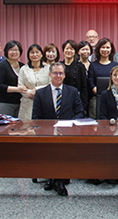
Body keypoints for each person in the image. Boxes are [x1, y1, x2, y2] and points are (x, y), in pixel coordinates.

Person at [32, 62, 84, 196]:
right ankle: (54, 178)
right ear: (49, 74)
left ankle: (57, 180)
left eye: (61, 73)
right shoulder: (40, 93)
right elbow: (36, 117)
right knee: (50, 150)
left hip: (67, 132)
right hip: (47, 133)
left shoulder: (72, 92)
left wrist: (71, 124)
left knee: (62, 149)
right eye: (55, 73)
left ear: (64, 75)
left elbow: (80, 113)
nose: (58, 76)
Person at [18, 44, 50, 120]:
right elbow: (21, 87)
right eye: (32, 52)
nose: (35, 55)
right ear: (28, 55)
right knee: (26, 129)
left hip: (44, 102)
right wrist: (30, 93)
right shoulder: (23, 69)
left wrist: (36, 90)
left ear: (42, 54)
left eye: (37, 52)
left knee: (44, 128)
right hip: (27, 103)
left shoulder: (48, 68)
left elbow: (51, 85)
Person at [88, 38, 117, 119]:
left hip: (112, 98)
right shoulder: (93, 65)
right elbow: (90, 81)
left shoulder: (115, 65)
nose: (105, 50)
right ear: (98, 49)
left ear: (111, 49)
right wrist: (97, 91)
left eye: (107, 47)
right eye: (103, 47)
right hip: (96, 98)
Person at [0, 40, 25, 117]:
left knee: (19, 128)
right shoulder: (2, 66)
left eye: (16, 50)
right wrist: (17, 89)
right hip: (5, 104)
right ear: (6, 51)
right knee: (5, 128)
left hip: (20, 103)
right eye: (11, 50)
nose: (14, 52)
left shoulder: (23, 66)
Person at [61, 40, 89, 116]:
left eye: (71, 49)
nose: (69, 51)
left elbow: (84, 87)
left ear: (75, 51)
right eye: (67, 48)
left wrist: (84, 106)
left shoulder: (80, 66)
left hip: (76, 100)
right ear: (63, 50)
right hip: (61, 100)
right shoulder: (59, 65)